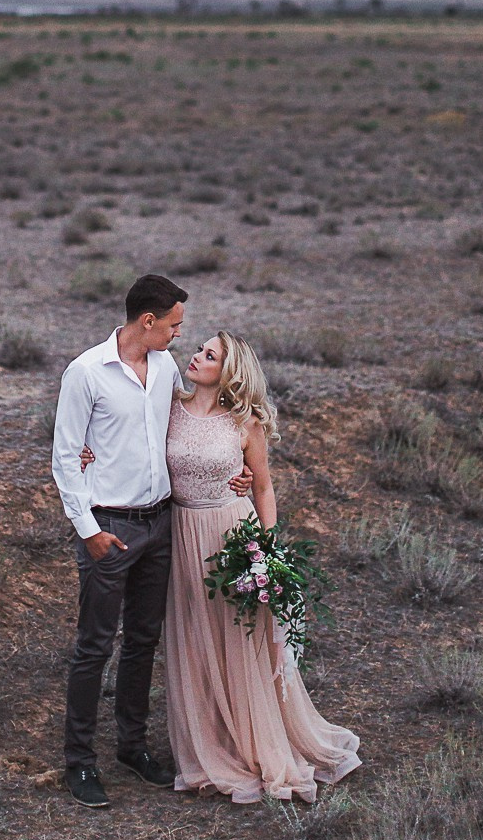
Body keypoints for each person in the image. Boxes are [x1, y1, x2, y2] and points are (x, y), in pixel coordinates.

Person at [84, 330, 361, 803]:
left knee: (239, 638)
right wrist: (91, 454)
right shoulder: (170, 406)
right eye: (199, 349)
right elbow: (133, 445)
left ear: (228, 371)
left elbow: (264, 489)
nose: (195, 356)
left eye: (208, 355)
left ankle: (251, 741)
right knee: (194, 640)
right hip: (180, 536)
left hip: (231, 534)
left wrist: (267, 553)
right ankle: (207, 743)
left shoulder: (245, 422)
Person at [51, 273, 251, 809]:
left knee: (143, 642)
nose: (178, 336)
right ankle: (80, 762)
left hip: (160, 524)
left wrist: (238, 473)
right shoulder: (86, 372)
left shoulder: (163, 369)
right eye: (174, 325)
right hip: (109, 528)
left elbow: (194, 432)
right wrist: (89, 531)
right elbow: (66, 456)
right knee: (94, 645)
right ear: (148, 320)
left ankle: (132, 748)